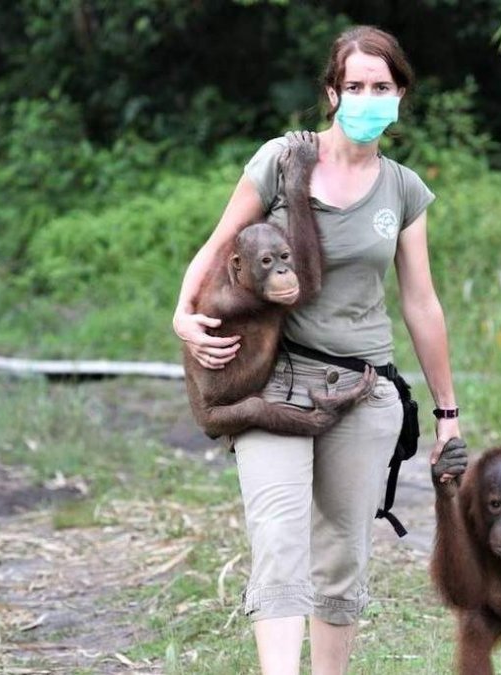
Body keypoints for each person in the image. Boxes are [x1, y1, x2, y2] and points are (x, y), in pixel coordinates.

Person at [172, 25, 460, 675]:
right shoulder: (283, 159)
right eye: (354, 86)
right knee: (277, 537)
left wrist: (448, 412)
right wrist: (182, 313)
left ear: (400, 95)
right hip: (272, 378)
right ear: (332, 93)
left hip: (363, 387)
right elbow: (220, 243)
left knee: (343, 552)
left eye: (380, 87)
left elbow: (422, 301)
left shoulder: (403, 189)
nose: (367, 98)